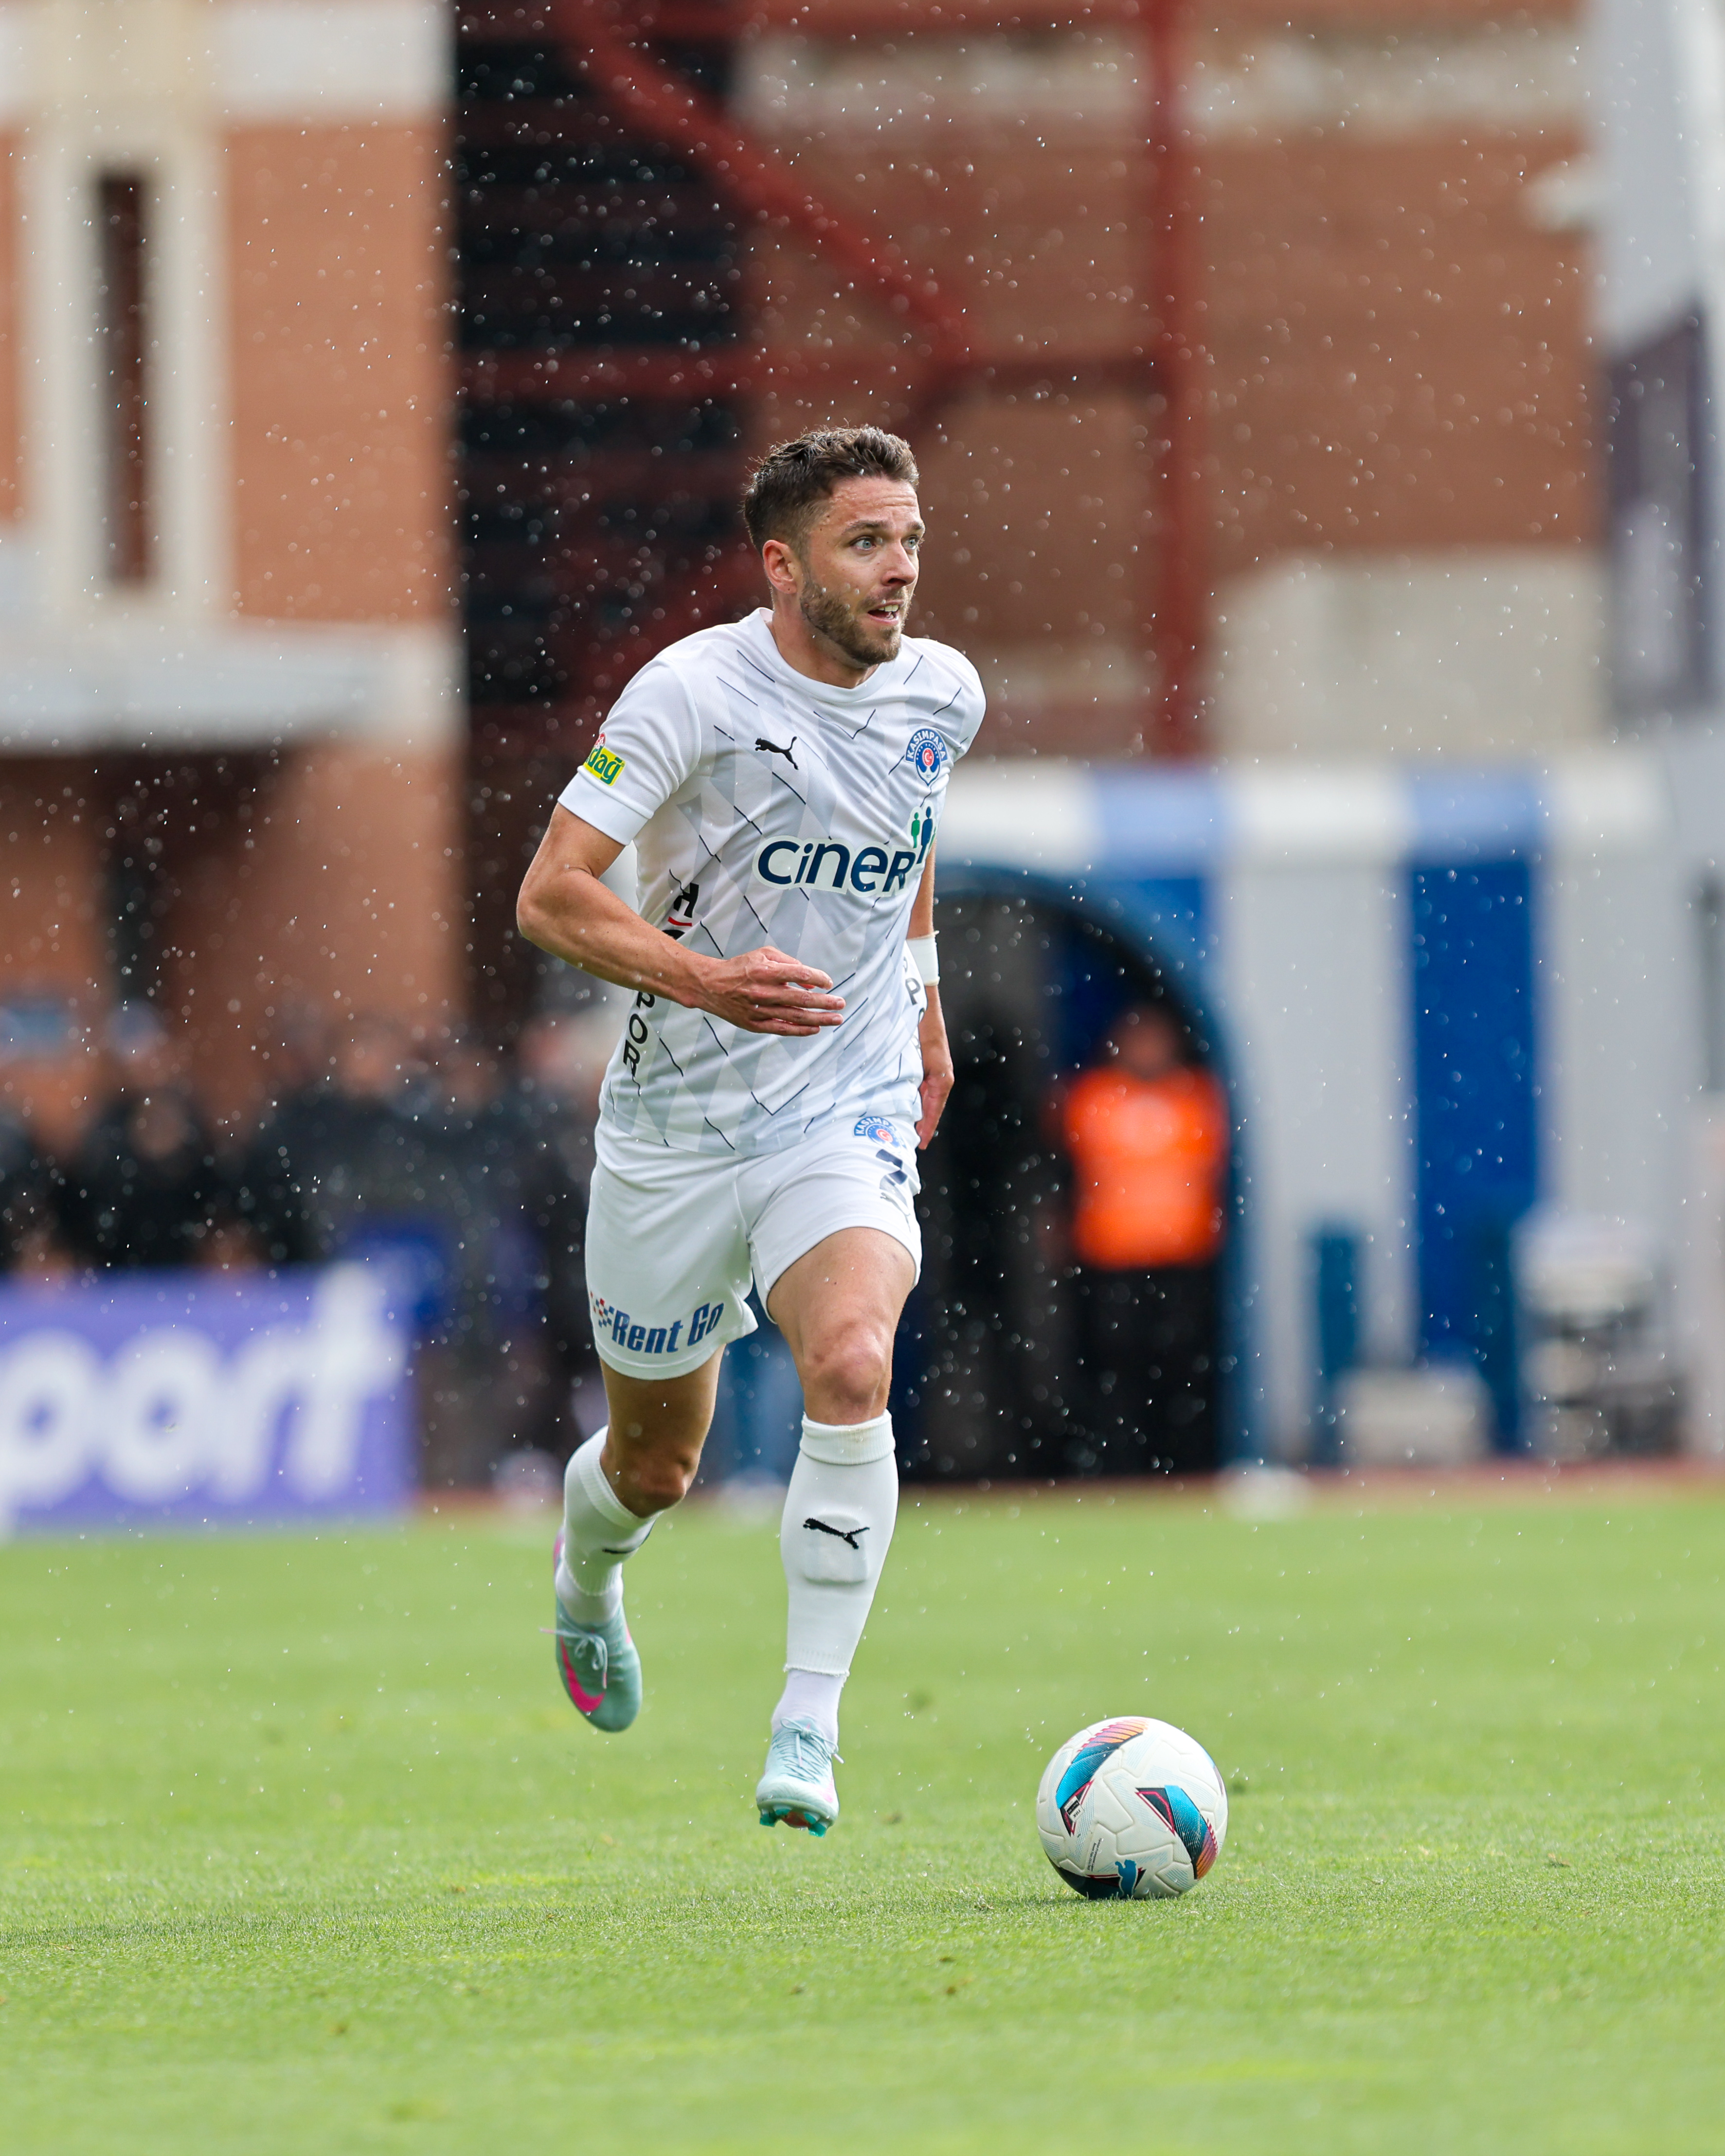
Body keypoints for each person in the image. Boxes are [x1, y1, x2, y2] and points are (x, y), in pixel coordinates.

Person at [516, 425, 983, 1835]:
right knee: (654, 1468)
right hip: (674, 1126)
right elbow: (551, 895)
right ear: (783, 566)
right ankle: (588, 1575)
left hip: (840, 1104)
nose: (898, 568)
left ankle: (808, 1724)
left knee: (850, 1361)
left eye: (909, 539)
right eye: (865, 542)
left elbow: (906, 842)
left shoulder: (943, 694)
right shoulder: (692, 693)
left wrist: (923, 1007)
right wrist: (707, 981)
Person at [1055, 1003, 1229, 1476]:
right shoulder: (1093, 1099)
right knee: (1116, 1373)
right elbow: (1066, 1172)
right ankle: (1120, 1469)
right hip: (1113, 1262)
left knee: (1183, 1370)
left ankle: (1187, 1467)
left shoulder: (1195, 1097)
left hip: (1182, 1261)